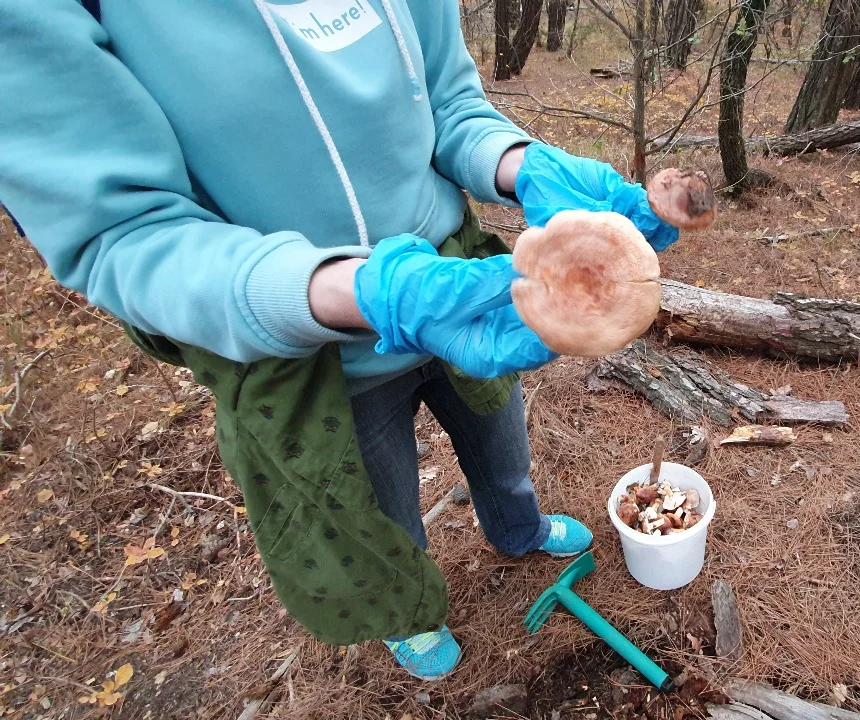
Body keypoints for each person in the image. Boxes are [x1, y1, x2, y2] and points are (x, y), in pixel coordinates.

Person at [0, 0, 679, 681]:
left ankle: (519, 530)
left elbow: (448, 104)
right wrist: (364, 293)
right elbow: (122, 233)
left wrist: (518, 162)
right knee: (382, 510)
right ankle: (409, 613)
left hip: (458, 291)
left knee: (501, 444)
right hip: (314, 353)